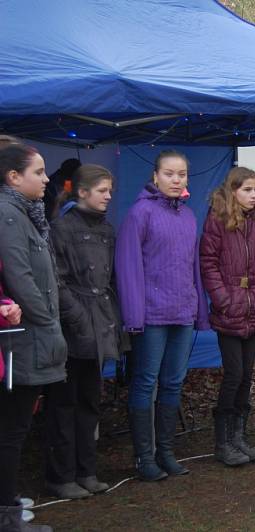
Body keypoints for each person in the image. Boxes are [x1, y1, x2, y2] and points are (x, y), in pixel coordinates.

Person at [115, 150, 209, 481]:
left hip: (182, 312)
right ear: (155, 176)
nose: (176, 179)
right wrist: (134, 316)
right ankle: (144, 456)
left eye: (181, 174)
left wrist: (198, 308)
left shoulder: (188, 216)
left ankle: (165, 452)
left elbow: (192, 267)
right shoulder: (140, 213)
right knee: (145, 382)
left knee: (173, 382)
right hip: (151, 315)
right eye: (169, 173)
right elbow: (127, 267)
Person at [41, 165, 121, 500]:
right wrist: (76, 318)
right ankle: (61, 475)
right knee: (63, 404)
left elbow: (110, 279)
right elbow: (55, 281)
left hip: (99, 324)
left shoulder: (106, 229)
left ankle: (87, 470)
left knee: (90, 401)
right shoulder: (61, 229)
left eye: (110, 191)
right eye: (102, 190)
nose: (108, 197)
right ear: (83, 192)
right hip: (72, 327)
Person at [0, 142, 67, 531]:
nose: (47, 179)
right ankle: (7, 515)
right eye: (39, 172)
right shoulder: (8, 215)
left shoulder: (22, 213)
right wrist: (47, 323)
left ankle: (7, 502)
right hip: (22, 336)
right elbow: (20, 277)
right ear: (13, 177)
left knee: (14, 427)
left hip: (29, 333)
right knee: (12, 429)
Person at [200, 167, 255, 466]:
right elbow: (208, 263)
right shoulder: (217, 219)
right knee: (232, 374)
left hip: (254, 306)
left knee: (246, 374)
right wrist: (223, 298)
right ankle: (222, 442)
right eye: (246, 189)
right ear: (233, 191)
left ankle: (238, 437)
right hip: (230, 309)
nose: (253, 195)